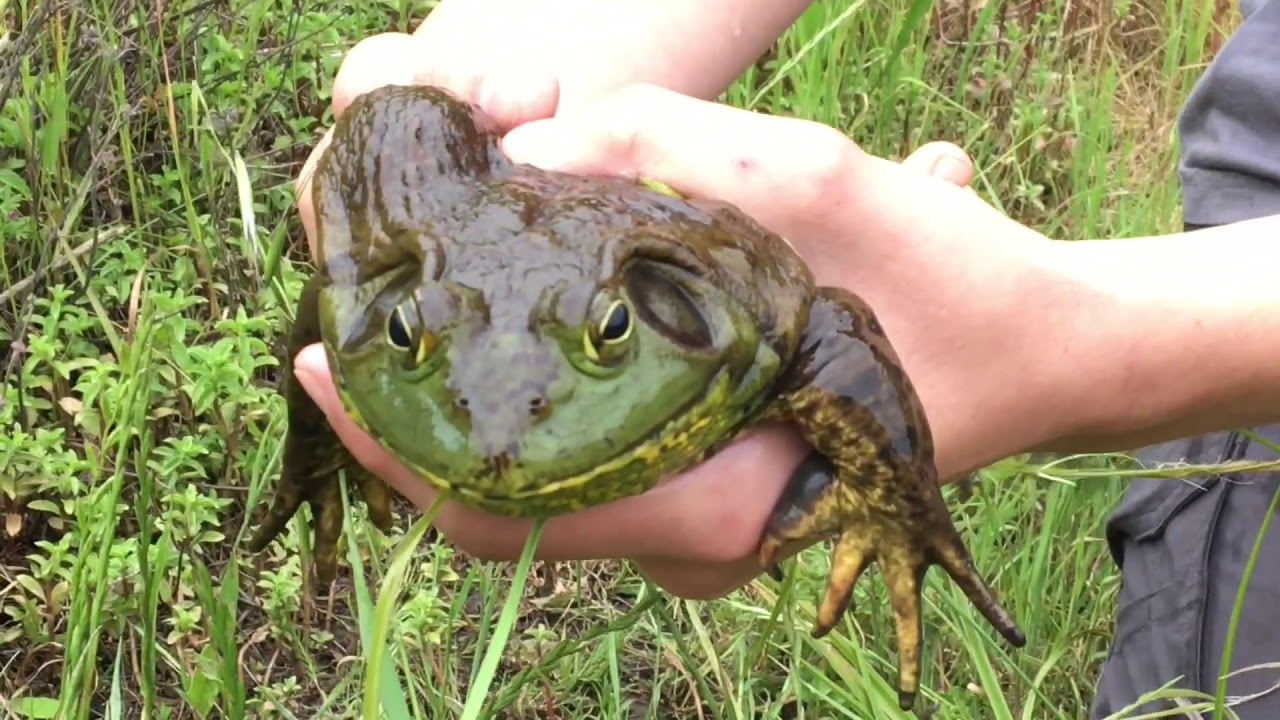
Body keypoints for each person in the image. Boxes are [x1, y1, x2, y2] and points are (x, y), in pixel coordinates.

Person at [287, 1, 1280, 715]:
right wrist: (524, 46)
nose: (497, 434)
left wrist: (1079, 338)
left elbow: (820, 331)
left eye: (607, 336)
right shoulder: (388, 285)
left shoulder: (744, 319)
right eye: (416, 337)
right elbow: (339, 291)